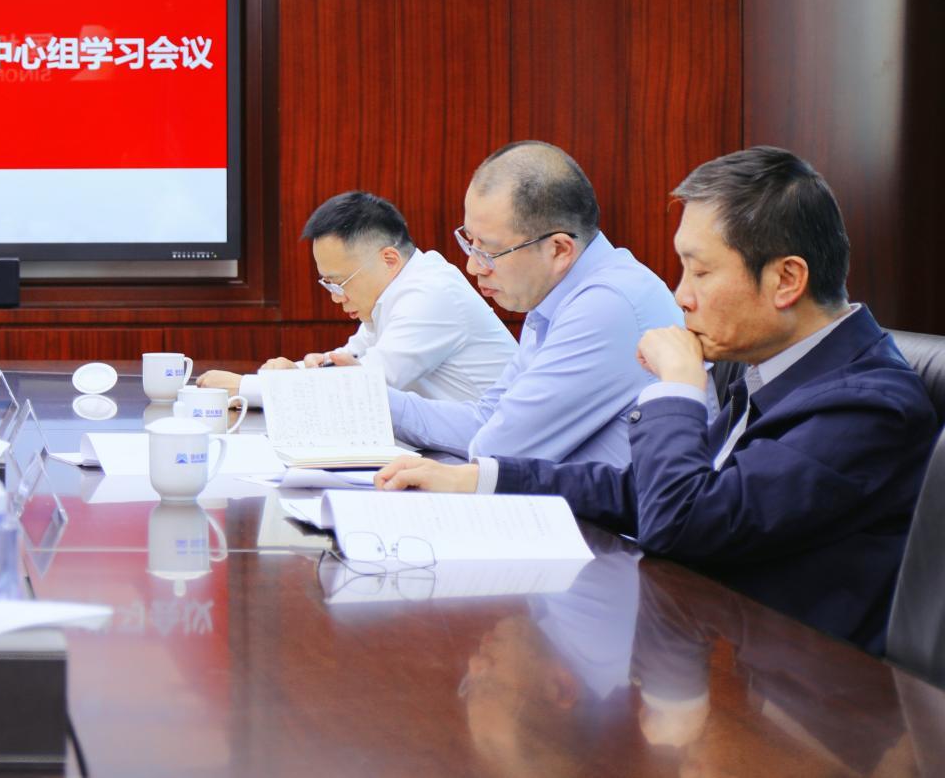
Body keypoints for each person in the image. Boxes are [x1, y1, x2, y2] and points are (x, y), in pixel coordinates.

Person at [379, 147, 939, 653]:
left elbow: (683, 522)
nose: (681, 295)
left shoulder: (865, 407)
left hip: (806, 705)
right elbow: (640, 491)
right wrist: (480, 479)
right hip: (715, 651)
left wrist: (677, 385)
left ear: (786, 280)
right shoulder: (781, 372)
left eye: (701, 271)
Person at [385, 141, 681, 465]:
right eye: (470, 242)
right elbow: (486, 420)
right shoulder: (556, 294)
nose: (472, 266)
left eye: (488, 251)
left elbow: (497, 450)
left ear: (559, 249)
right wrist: (368, 400)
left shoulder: (607, 306)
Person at [197, 191, 514, 405]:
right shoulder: (393, 293)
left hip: (488, 459)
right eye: (329, 284)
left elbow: (362, 390)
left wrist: (245, 388)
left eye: (340, 282)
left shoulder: (431, 294)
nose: (337, 298)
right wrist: (293, 371)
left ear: (389, 259)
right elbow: (348, 362)